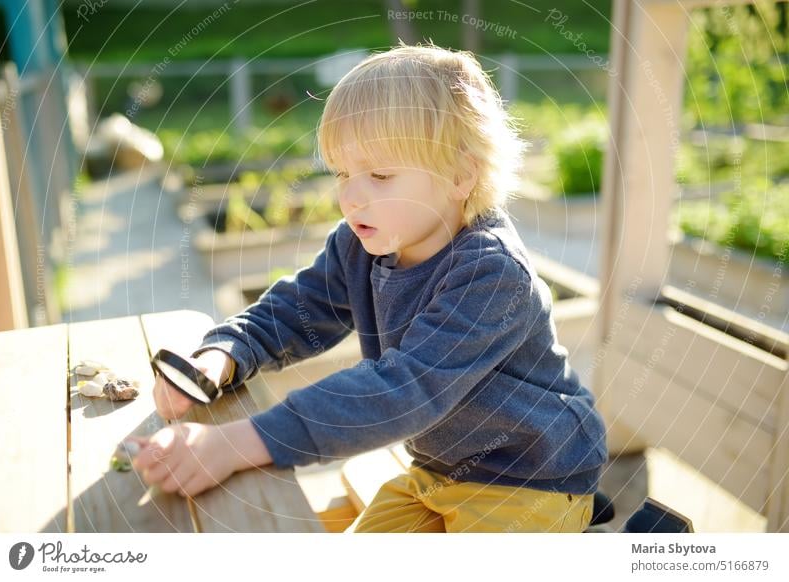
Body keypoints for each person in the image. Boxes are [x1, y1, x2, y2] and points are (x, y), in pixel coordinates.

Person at [132, 42, 608, 533]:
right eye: (343, 173)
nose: (351, 196)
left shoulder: (491, 274)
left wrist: (241, 443)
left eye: (380, 175)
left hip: (532, 480)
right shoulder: (362, 246)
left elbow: (404, 389)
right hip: (436, 472)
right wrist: (225, 353)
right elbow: (299, 309)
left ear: (460, 176)